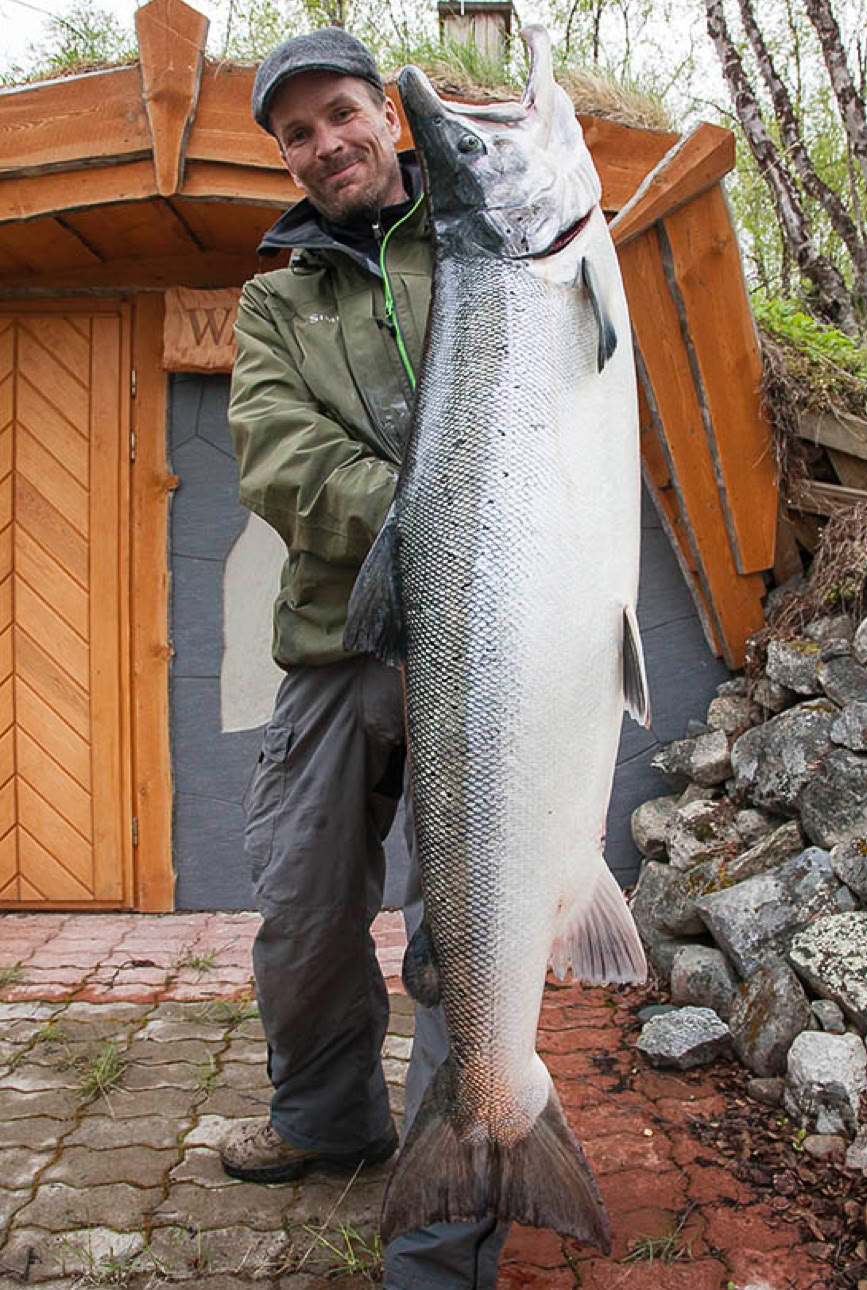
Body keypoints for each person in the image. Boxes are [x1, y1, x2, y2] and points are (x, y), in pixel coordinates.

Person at [222, 27, 508, 1290]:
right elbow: (278, 456)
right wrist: (433, 514)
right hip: (339, 639)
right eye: (295, 133)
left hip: (487, 639)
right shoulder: (275, 296)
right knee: (300, 907)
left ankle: (454, 1209)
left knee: (469, 916)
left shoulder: (488, 248)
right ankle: (332, 1122)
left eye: (341, 113)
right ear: (283, 158)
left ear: (388, 118)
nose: (325, 142)